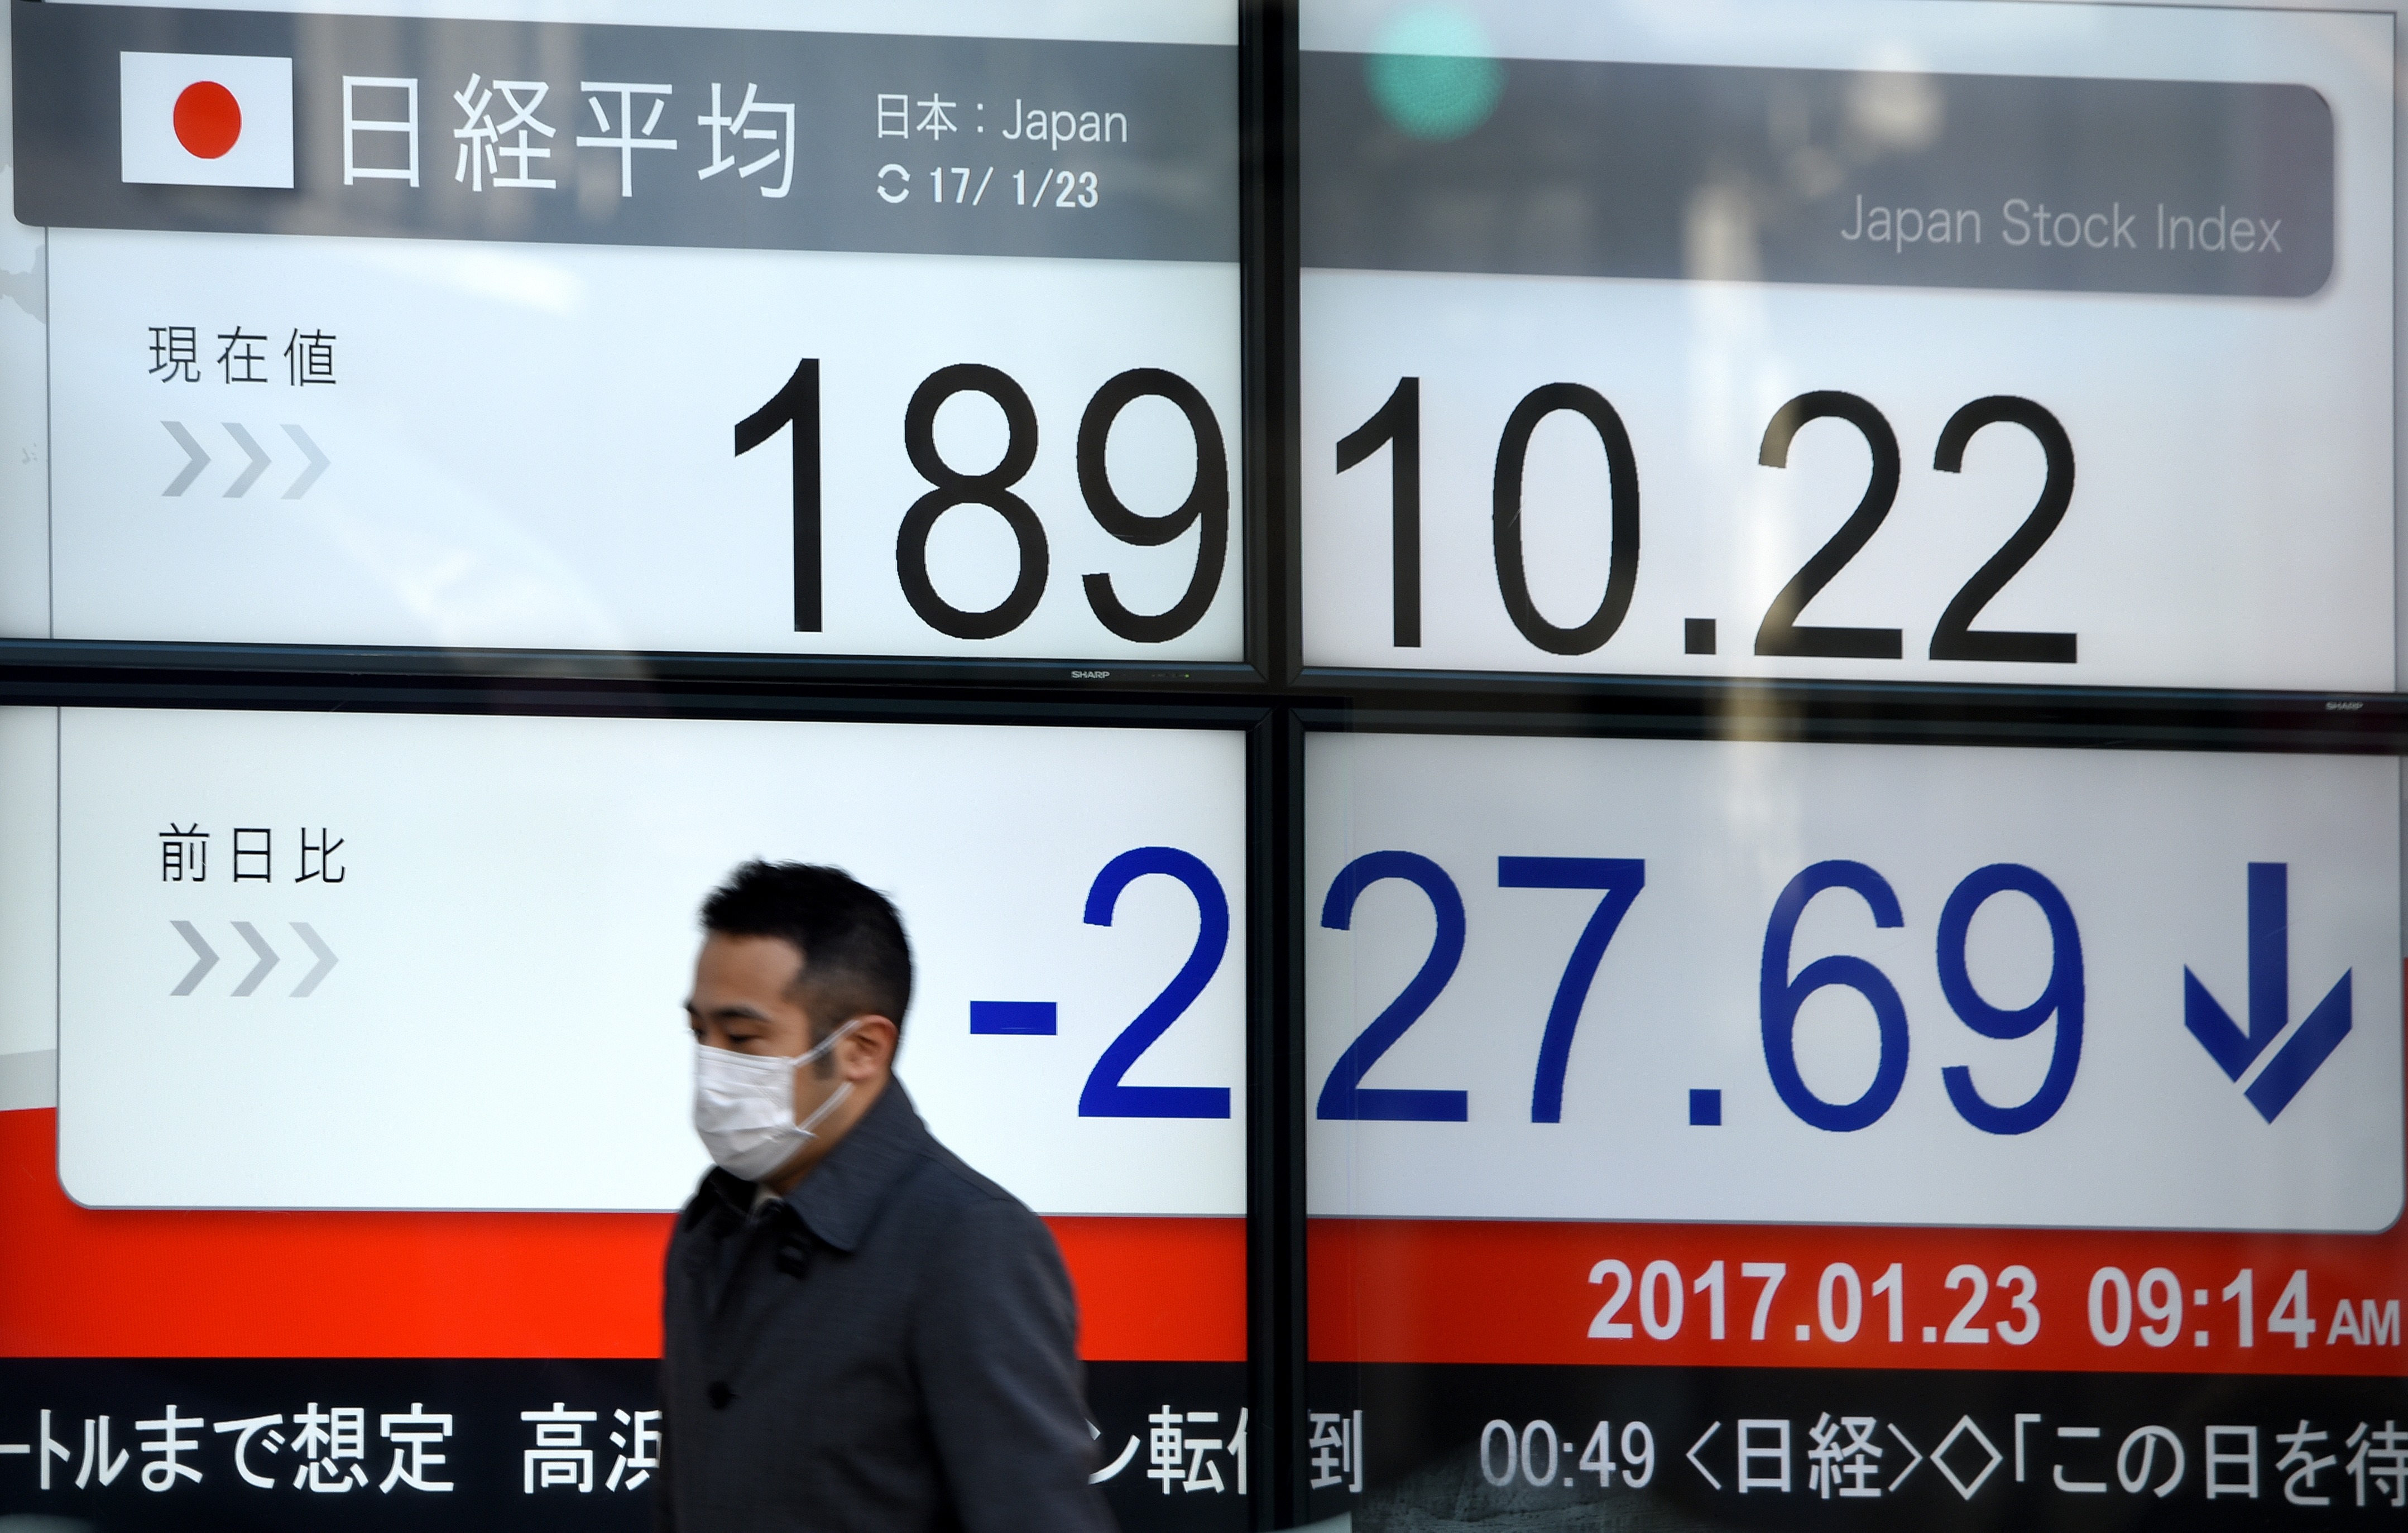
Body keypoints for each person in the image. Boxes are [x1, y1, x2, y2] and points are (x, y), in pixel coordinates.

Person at [657, 859, 1114, 1532]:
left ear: (863, 1049)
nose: (713, 1066)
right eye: (701, 1033)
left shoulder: (969, 1241)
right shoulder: (711, 1226)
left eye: (744, 1038)